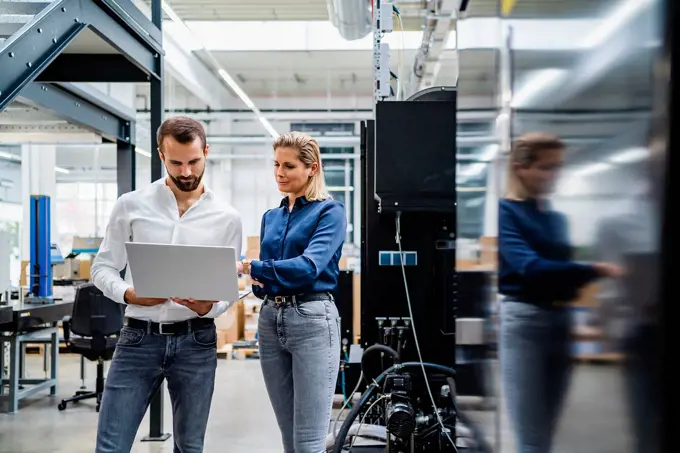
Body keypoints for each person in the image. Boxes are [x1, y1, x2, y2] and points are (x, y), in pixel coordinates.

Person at [91, 116, 242, 453]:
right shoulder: (130, 206)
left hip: (196, 340)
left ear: (206, 151)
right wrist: (129, 293)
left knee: (190, 446)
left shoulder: (227, 217)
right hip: (138, 339)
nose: (186, 172)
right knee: (111, 445)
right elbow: (102, 269)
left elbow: (228, 286)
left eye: (194, 162)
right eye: (176, 163)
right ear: (161, 155)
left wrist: (212, 306)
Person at [497, 132, 622, 453]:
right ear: (520, 168)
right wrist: (595, 270)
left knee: (547, 433)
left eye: (559, 168)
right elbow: (531, 268)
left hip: (560, 320)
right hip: (525, 322)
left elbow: (561, 276)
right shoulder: (507, 213)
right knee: (531, 436)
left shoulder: (555, 219)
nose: (554, 176)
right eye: (546, 167)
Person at [237, 131, 346, 453]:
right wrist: (262, 282)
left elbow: (310, 267)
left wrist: (253, 268)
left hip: (312, 319)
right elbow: (274, 277)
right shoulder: (271, 217)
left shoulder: (330, 212)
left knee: (309, 442)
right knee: (289, 438)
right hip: (270, 320)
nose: (279, 174)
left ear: (311, 168)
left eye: (288, 166)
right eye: (276, 165)